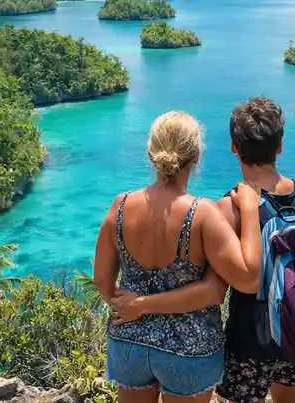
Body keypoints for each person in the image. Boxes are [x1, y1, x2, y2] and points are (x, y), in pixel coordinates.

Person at [111, 97, 295, 403]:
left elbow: (211, 286)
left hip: (250, 341)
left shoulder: (228, 209)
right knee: (289, 392)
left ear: (234, 147)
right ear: (280, 146)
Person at [93, 110, 264, 403]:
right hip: (189, 350)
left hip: (129, 344)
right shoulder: (202, 214)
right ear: (196, 157)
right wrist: (249, 211)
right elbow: (248, 280)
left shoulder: (119, 206)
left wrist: (135, 307)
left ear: (151, 153)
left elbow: (102, 283)